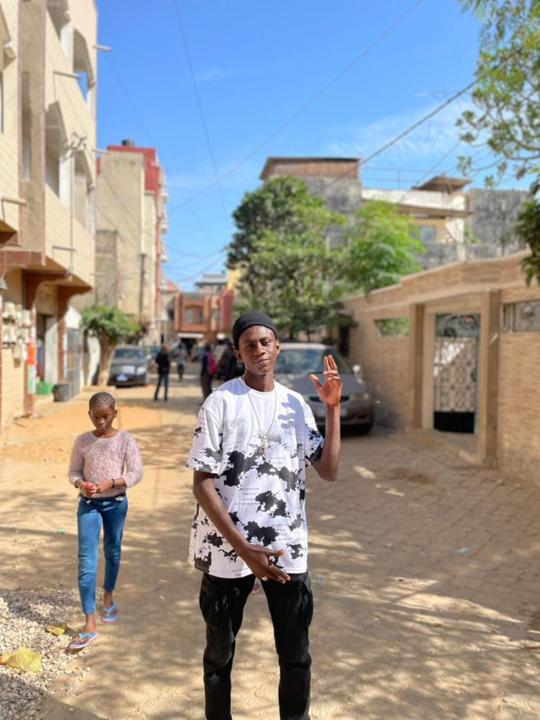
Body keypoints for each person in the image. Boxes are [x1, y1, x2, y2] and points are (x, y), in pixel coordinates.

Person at [187, 311, 342, 720]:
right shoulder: (220, 403)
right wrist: (245, 550)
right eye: (249, 344)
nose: (259, 350)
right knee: (219, 656)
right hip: (227, 549)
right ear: (238, 353)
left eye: (265, 342)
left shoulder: (296, 405)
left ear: (277, 347)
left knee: (296, 655)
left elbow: (328, 469)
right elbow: (202, 483)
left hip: (286, 547)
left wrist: (332, 409)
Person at [67, 392, 143, 650]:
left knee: (113, 550)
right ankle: (89, 620)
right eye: (96, 417)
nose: (101, 422)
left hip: (116, 503)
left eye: (106, 416)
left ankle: (108, 596)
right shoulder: (82, 441)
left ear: (114, 414)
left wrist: (112, 482)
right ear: (89, 414)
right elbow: (73, 471)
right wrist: (81, 483)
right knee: (86, 560)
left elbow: (135, 472)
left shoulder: (125, 440)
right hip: (88, 505)